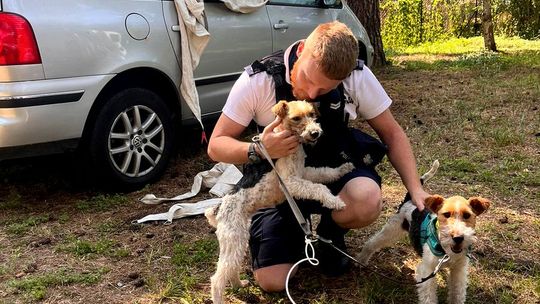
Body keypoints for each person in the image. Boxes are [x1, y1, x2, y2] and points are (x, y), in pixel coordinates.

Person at [207, 21, 430, 292]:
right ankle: (292, 233)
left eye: (324, 90)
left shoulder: (357, 76)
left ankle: (328, 236)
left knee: (366, 198)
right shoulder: (259, 80)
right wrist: (259, 148)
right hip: (277, 185)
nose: (312, 94)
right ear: (301, 50)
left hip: (329, 169)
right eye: (309, 80)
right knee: (273, 281)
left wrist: (415, 189)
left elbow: (392, 134)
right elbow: (216, 145)